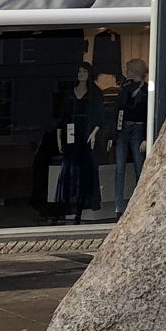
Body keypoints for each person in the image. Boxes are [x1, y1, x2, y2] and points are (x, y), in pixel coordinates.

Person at [54, 62, 103, 224]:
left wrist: (94, 133)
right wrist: (59, 139)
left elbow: (99, 116)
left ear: (89, 74)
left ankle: (81, 210)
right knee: (68, 171)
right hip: (71, 135)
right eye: (79, 71)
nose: (81, 73)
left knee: (84, 173)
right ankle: (65, 206)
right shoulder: (70, 93)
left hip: (86, 136)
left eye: (84, 71)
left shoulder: (95, 93)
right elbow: (62, 117)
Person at [113, 59, 148, 219]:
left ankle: (140, 205)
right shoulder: (125, 89)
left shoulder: (148, 90)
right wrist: (114, 132)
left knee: (139, 168)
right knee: (119, 168)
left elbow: (149, 113)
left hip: (138, 129)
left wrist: (147, 137)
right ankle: (118, 207)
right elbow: (118, 110)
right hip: (125, 129)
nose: (126, 71)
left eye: (128, 69)